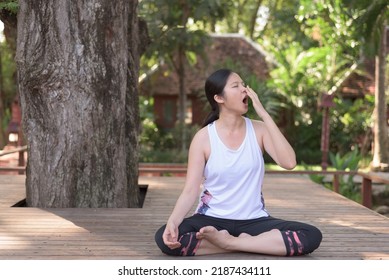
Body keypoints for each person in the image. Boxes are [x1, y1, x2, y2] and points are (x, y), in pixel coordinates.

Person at [155, 69, 322, 256]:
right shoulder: (203, 138)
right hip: (211, 219)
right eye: (236, 86)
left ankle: (229, 243)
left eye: (244, 84)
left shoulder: (259, 130)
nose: (245, 89)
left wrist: (265, 115)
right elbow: (190, 190)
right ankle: (249, 244)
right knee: (164, 237)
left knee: (311, 235)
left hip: (254, 220)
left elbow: (289, 162)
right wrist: (173, 221)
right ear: (219, 98)